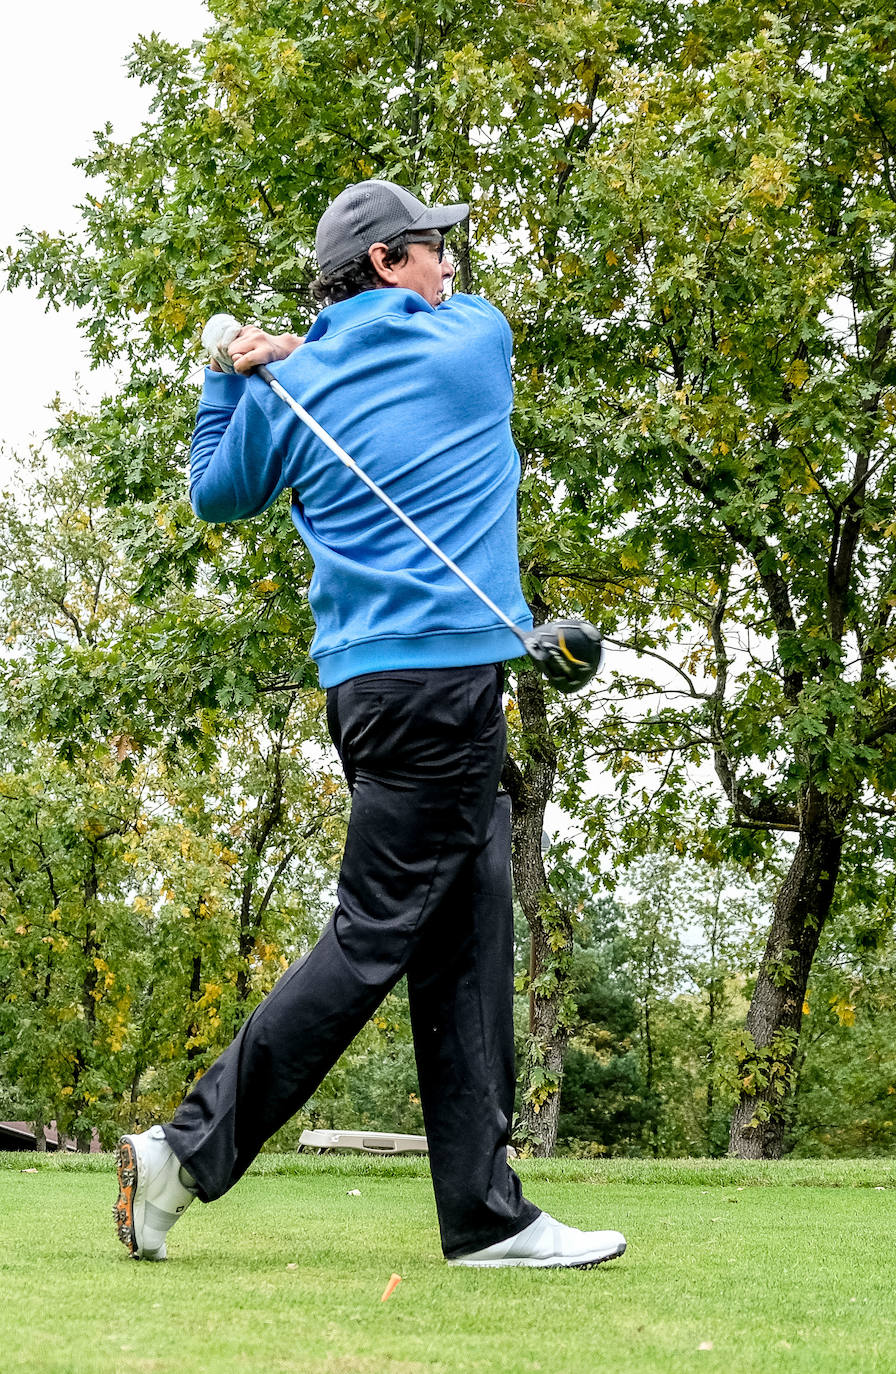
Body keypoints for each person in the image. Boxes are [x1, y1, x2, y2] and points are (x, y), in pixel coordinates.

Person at [114, 180, 626, 1270]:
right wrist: (287, 352)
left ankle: (486, 1217)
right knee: (372, 938)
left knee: (466, 943)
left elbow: (215, 491)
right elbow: (462, 320)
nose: (451, 268)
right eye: (433, 250)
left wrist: (227, 372)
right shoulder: (470, 343)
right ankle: (183, 1149)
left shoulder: (283, 392)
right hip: (441, 695)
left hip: (371, 696)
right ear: (392, 261)